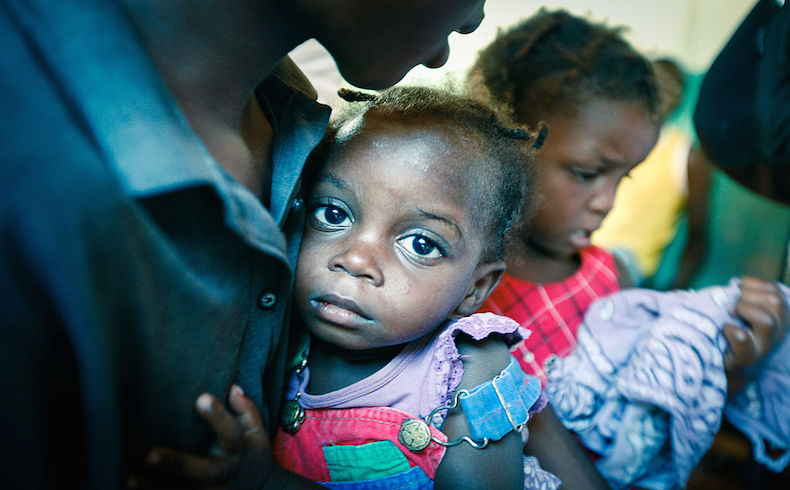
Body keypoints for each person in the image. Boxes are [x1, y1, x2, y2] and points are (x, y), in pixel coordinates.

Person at [0, 0, 490, 487]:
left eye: (422, 244)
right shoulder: (32, 170)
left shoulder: (290, 112)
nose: (476, 17)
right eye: (333, 215)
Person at [143, 85, 553, 488]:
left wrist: (269, 481)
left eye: (420, 244)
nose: (355, 260)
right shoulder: (281, 331)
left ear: (475, 288)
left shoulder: (466, 369)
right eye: (333, 213)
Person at [466, 8, 789, 488]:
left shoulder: (611, 278)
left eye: (625, 176)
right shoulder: (466, 290)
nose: (608, 202)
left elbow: (645, 418)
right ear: (505, 140)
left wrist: (726, 369)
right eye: (586, 173)